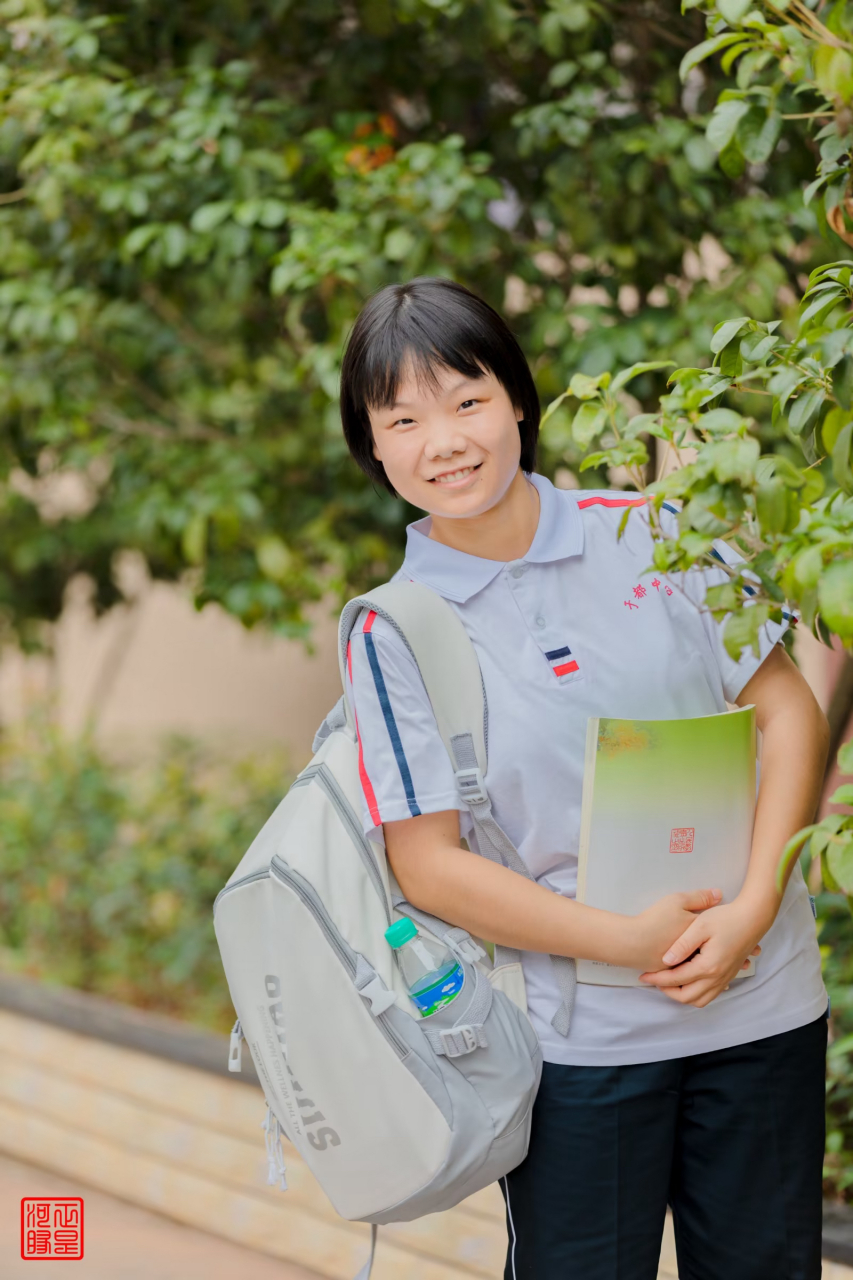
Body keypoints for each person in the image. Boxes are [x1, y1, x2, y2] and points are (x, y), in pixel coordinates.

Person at [338, 276, 829, 1280]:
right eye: (405, 418)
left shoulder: (658, 529)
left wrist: (753, 903)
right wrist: (623, 940)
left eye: (467, 400)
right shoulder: (396, 629)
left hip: (762, 998)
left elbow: (787, 711)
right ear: (374, 446)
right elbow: (426, 863)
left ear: (518, 399)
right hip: (579, 1050)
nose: (445, 441)